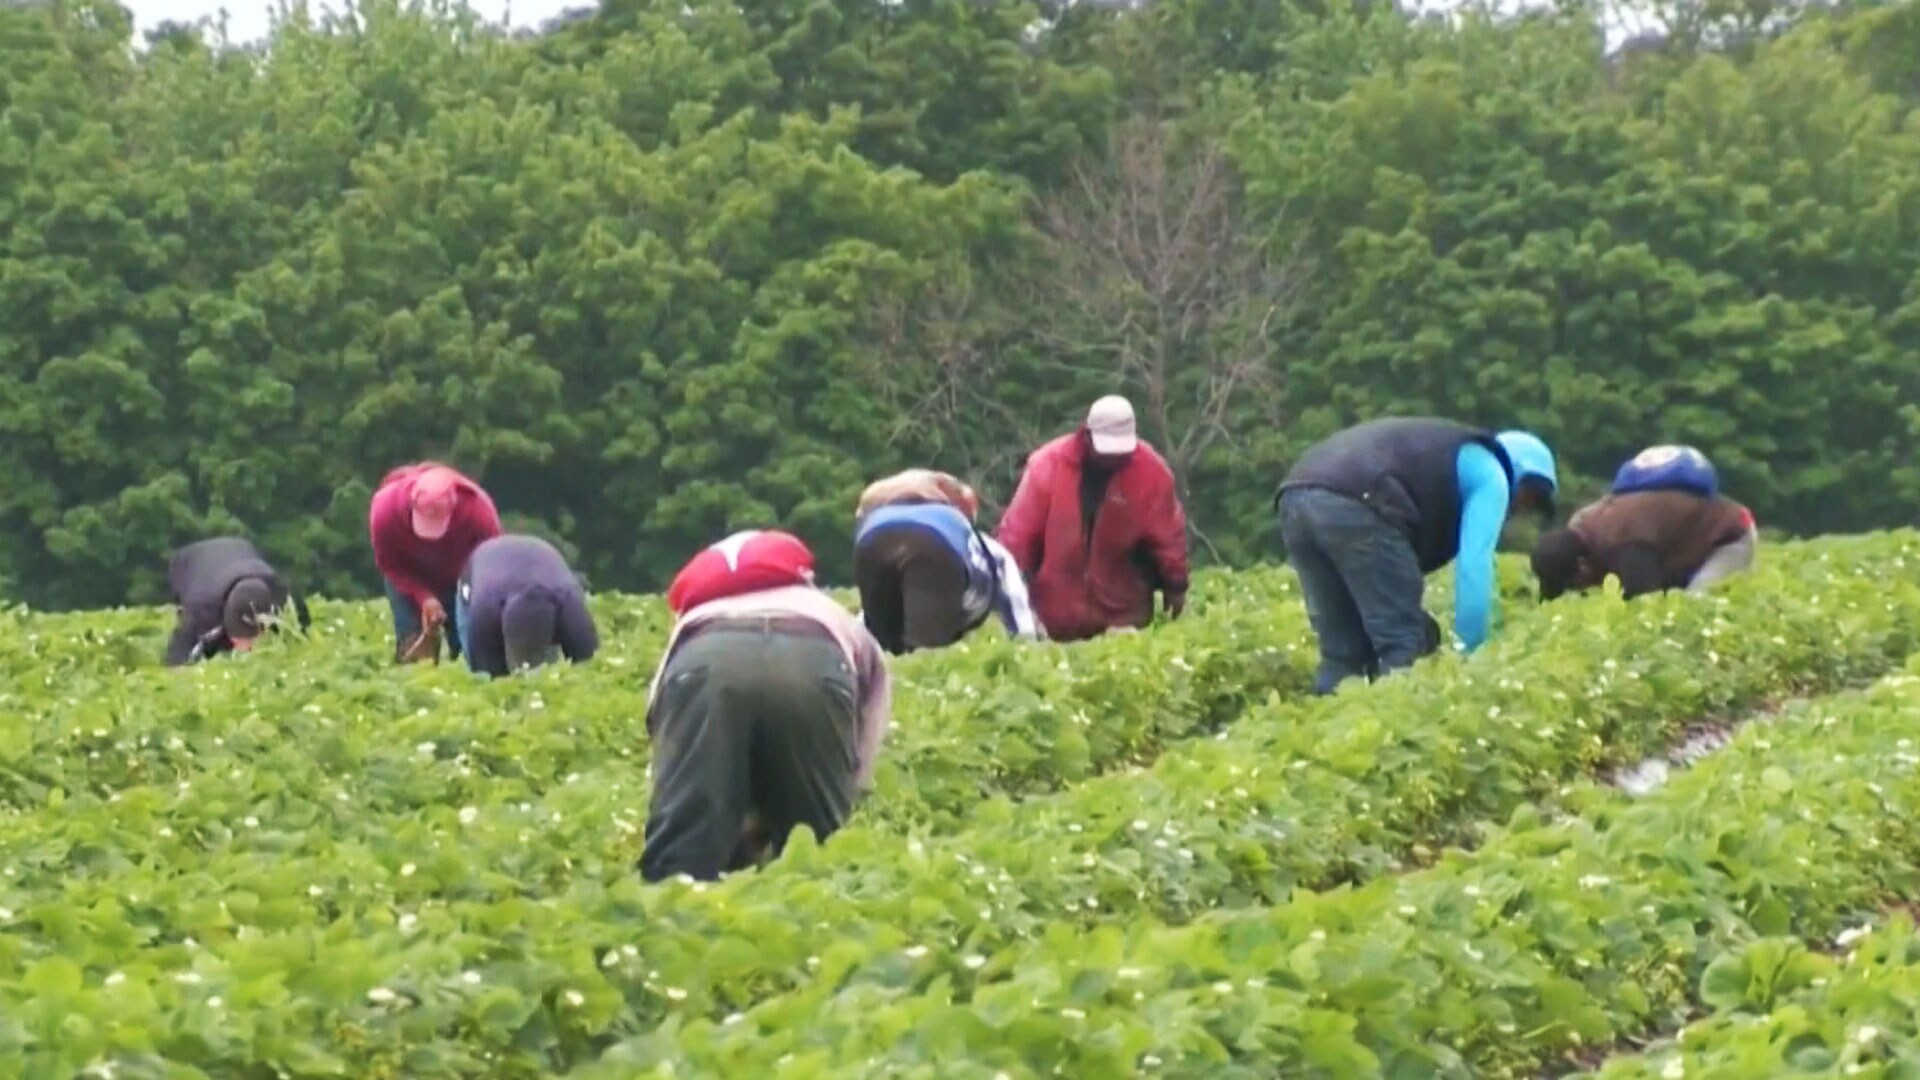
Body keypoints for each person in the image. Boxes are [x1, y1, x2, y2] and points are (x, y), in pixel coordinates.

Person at [640, 529, 893, 883]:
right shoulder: (828, 610)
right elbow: (869, 708)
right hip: (815, 657)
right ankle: (818, 914)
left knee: (685, 847)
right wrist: (847, 788)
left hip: (707, 661)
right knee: (814, 846)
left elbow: (663, 720)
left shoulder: (694, 616)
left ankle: (674, 912)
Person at [1274, 417, 1558, 695]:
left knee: (1342, 652)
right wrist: (1474, 657)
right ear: (1519, 475)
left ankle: (1326, 732)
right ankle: (1395, 731)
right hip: (1359, 500)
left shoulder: (1447, 452)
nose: (1520, 510)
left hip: (1296, 496)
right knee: (1402, 642)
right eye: (1529, 498)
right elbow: (1474, 568)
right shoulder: (1493, 474)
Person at [995, 395, 1189, 643]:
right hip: (1055, 615)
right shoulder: (1048, 465)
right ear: (1086, 435)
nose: (1113, 459)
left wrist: (1176, 584)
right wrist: (1008, 590)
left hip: (1123, 616)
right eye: (1107, 450)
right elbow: (1019, 535)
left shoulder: (1153, 473)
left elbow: (1168, 536)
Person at [852, 468, 1044, 654]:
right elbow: (1014, 598)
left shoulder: (881, 515)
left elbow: (868, 621)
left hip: (869, 541)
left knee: (879, 642)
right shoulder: (969, 537)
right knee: (928, 650)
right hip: (931, 545)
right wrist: (1027, 646)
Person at [1532, 478, 1758, 602]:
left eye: (1573, 584)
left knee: (1693, 609)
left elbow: (1649, 605)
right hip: (1678, 547)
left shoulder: (1627, 548)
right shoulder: (1580, 528)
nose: (1579, 589)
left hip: (1729, 536)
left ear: (1582, 567)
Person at [368, 461, 501, 664]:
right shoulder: (385, 509)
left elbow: (493, 563)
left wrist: (468, 597)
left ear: (453, 506)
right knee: (412, 650)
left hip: (462, 578)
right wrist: (424, 598)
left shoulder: (478, 509)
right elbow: (391, 565)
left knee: (469, 651)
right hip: (409, 577)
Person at [455, 534, 599, 676]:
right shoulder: (485, 611)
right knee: (488, 674)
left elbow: (589, 664)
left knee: (534, 672)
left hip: (542, 563)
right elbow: (484, 671)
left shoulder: (570, 604)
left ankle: (536, 670)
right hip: (480, 569)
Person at [163, 536, 311, 666]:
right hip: (190, 562)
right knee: (202, 639)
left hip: (241, 553)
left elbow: (302, 630)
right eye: (241, 640)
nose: (246, 648)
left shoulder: (282, 594)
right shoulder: (201, 606)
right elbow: (176, 660)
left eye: (251, 639)